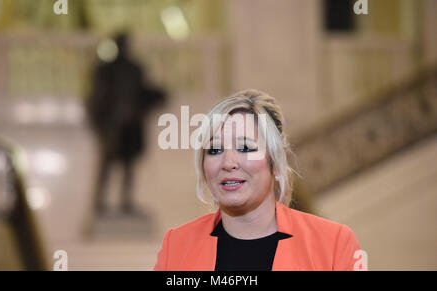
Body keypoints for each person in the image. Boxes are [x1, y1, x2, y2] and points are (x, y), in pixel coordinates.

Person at [154, 89, 364, 271]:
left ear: (276, 161)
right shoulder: (176, 245)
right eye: (215, 149)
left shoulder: (334, 243)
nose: (228, 163)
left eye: (245, 148)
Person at [87, 33, 166, 217]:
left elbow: (142, 92)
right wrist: (101, 123)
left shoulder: (134, 68)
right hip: (114, 126)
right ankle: (101, 203)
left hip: (130, 126)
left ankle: (125, 202)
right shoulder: (106, 70)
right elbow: (98, 97)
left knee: (128, 167)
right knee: (108, 165)